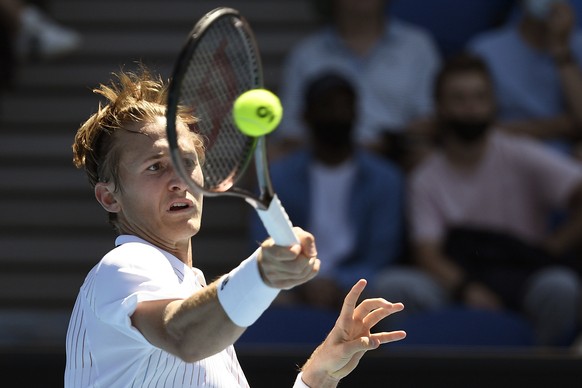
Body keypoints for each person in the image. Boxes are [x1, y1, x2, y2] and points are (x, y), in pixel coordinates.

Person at [64, 66, 406, 387]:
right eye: (155, 167)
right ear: (110, 198)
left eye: (187, 162)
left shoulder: (200, 301)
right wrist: (261, 272)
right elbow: (183, 337)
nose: (179, 180)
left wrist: (316, 375)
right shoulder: (126, 264)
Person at [374, 53, 582, 347]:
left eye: (480, 97)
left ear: (493, 103)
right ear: (440, 107)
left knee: (561, 287)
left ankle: (536, 370)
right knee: (393, 287)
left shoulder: (521, 154)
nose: (471, 108)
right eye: (458, 99)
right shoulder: (426, 177)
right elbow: (428, 255)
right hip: (457, 278)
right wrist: (468, 289)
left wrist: (552, 247)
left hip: (522, 272)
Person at [249, 71, 405, 310]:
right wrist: (307, 281)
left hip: (363, 284)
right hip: (295, 283)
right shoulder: (278, 177)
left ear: (356, 112)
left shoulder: (384, 178)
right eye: (327, 107)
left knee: (393, 287)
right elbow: (264, 243)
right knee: (259, 296)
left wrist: (340, 281)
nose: (336, 115)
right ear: (306, 115)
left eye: (345, 106)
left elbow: (382, 251)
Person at [270, 0, 441, 159]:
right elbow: (291, 130)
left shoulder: (418, 46)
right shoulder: (306, 54)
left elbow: (430, 118)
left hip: (398, 159)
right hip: (325, 159)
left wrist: (384, 146)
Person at [467, 0, 582, 154]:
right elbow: (472, 128)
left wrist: (562, 52)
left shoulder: (578, 46)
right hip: (503, 158)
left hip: (569, 163)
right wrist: (562, 126)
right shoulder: (484, 51)